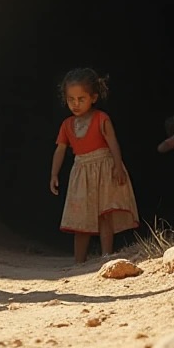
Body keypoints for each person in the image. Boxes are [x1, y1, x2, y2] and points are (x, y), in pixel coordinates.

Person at [49, 68, 140, 264]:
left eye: (81, 99)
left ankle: (107, 257)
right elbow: (60, 150)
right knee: (80, 218)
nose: (75, 104)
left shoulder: (101, 119)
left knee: (104, 214)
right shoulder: (66, 125)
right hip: (81, 172)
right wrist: (54, 174)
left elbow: (113, 142)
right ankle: (78, 262)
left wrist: (117, 166)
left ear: (94, 97)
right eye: (71, 99)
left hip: (104, 169)